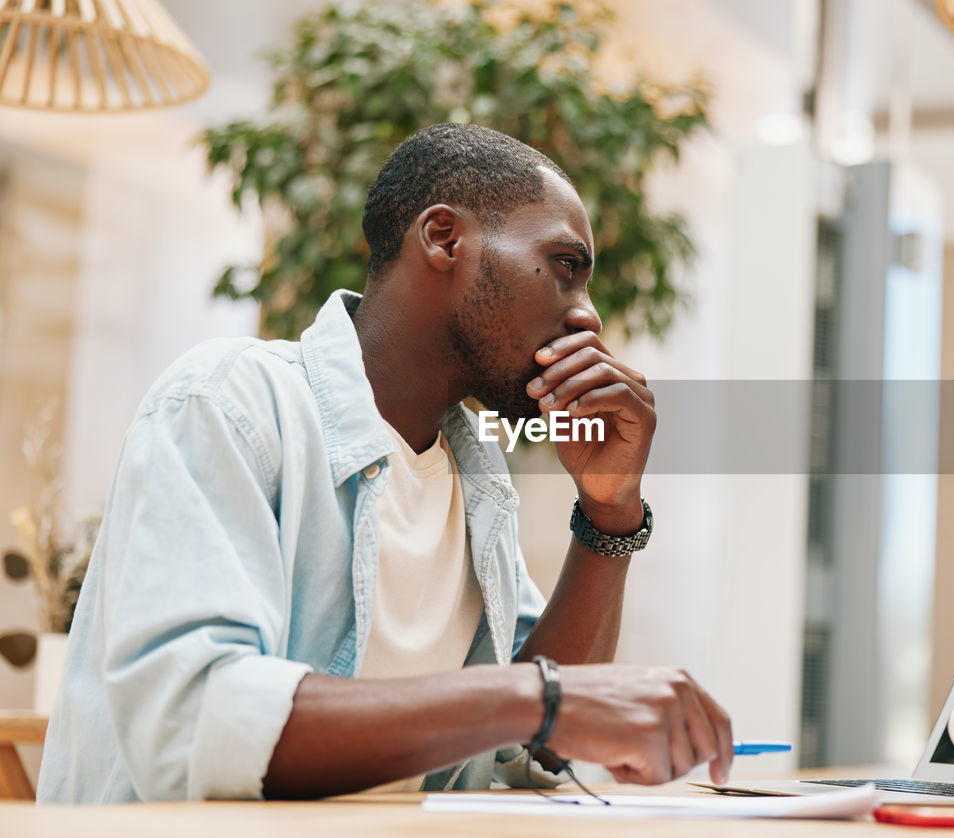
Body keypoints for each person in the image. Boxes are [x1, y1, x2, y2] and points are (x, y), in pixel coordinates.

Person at [37, 123, 733, 803]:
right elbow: (196, 725)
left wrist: (609, 512)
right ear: (443, 237)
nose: (589, 318)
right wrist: (538, 698)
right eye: (565, 267)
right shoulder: (230, 402)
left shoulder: (477, 474)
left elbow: (532, 745)